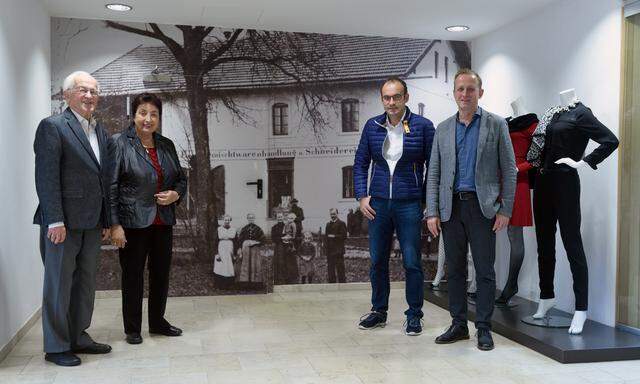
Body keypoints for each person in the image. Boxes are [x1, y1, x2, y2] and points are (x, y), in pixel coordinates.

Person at [426, 68, 516, 351]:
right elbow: (435, 174)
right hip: (450, 208)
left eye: (470, 89)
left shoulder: (496, 125)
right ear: (454, 94)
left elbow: (509, 171)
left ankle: (484, 328)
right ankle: (459, 325)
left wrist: (506, 210)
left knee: (484, 270)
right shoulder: (442, 129)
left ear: (481, 93)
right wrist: (432, 211)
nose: (465, 94)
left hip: (483, 208)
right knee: (454, 270)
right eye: (460, 89)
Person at [34, 71, 113, 366]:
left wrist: (106, 219)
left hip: (91, 223)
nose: (90, 96)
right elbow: (46, 176)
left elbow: (103, 178)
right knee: (58, 285)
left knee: (85, 283)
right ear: (67, 95)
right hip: (62, 224)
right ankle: (55, 346)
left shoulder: (99, 131)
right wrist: (54, 220)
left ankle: (78, 335)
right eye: (83, 90)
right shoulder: (53, 126)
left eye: (94, 91)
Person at [353, 76, 435, 336]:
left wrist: (424, 199)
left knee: (412, 261)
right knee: (377, 261)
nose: (391, 102)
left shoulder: (423, 126)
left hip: (409, 203)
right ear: (382, 100)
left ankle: (414, 315)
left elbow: (433, 167)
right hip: (377, 204)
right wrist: (361, 196)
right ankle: (379, 311)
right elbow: (360, 163)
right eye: (387, 97)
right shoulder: (372, 126)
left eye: (396, 96)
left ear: (406, 98)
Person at [109, 92, 188, 345]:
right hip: (132, 222)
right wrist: (115, 224)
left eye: (154, 114)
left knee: (161, 274)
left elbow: (180, 178)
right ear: (134, 116)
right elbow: (110, 186)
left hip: (162, 221)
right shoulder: (119, 143)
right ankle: (133, 328)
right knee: (132, 275)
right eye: (143, 113)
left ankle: (158, 322)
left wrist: (176, 194)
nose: (148, 119)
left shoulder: (167, 145)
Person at [237, 213, 266, 282]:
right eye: (249, 218)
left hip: (255, 249)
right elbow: (240, 240)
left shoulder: (258, 229)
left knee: (255, 264)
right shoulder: (244, 228)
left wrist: (255, 242)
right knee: (246, 264)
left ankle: (255, 281)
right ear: (247, 219)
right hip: (246, 249)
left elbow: (263, 240)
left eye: (252, 218)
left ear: (254, 219)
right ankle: (245, 281)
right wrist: (240, 249)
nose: (251, 219)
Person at [324, 208, 348, 283]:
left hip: (338, 251)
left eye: (334, 214)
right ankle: (332, 285)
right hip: (330, 251)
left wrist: (334, 236)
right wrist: (325, 249)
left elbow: (344, 236)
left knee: (340, 269)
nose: (332, 215)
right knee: (330, 270)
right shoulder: (328, 224)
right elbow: (326, 238)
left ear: (337, 214)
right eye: (331, 214)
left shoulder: (341, 223)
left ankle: (342, 286)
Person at [214, 215, 237, 289]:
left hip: (230, 247)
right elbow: (215, 241)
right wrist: (217, 253)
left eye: (228, 220)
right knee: (221, 265)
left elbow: (236, 241)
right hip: (221, 247)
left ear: (230, 221)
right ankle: (220, 284)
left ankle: (229, 284)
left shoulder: (233, 229)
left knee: (229, 265)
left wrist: (235, 253)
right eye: (225, 220)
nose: (227, 221)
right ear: (223, 221)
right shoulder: (219, 229)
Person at [282, 212, 299, 283]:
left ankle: (293, 275)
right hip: (285, 240)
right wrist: (284, 236)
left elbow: (294, 235)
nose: (290, 219)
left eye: (292, 218)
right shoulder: (286, 224)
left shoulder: (293, 224)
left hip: (290, 241)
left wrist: (290, 238)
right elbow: (283, 232)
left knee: (291, 258)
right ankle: (286, 274)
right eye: (289, 218)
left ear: (294, 219)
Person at [271, 212, 287, 284]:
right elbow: (273, 238)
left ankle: (286, 279)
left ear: (283, 217)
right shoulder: (274, 227)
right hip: (278, 246)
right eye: (278, 217)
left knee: (286, 262)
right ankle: (278, 279)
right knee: (278, 262)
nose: (280, 218)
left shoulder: (287, 226)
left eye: (281, 217)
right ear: (276, 218)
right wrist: (281, 238)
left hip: (286, 246)